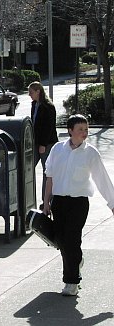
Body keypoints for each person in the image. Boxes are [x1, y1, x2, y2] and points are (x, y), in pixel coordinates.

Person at [43, 114, 114, 296]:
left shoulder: (90, 153)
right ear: (70, 131)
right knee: (62, 241)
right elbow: (49, 177)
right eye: (80, 129)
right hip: (58, 201)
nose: (84, 133)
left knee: (72, 240)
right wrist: (46, 202)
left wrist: (112, 203)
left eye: (86, 129)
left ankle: (71, 282)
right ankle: (78, 260)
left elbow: (102, 179)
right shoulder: (58, 149)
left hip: (79, 203)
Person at [29, 81, 58, 209]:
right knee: (27, 169)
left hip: (47, 144)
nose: (29, 95)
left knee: (48, 172)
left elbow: (48, 127)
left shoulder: (48, 106)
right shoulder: (34, 104)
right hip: (35, 143)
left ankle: (46, 200)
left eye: (31, 92)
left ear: (38, 91)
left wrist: (43, 144)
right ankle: (27, 198)